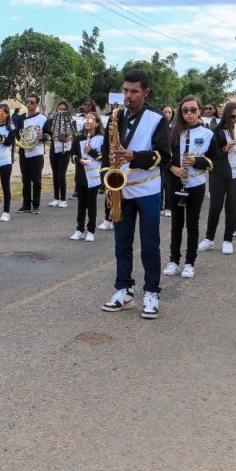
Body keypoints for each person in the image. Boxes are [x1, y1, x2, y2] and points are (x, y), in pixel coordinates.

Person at [100, 69, 171, 318]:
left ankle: (151, 292)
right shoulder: (115, 116)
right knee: (122, 242)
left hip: (147, 188)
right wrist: (107, 180)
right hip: (120, 188)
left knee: (150, 244)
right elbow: (107, 151)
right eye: (125, 90)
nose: (128, 96)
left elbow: (164, 156)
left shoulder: (157, 118)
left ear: (146, 92)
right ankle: (124, 290)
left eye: (134, 91)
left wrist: (134, 156)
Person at [163, 96, 214, 279]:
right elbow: (163, 157)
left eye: (193, 110)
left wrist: (196, 161)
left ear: (199, 111)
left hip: (196, 184)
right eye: (185, 111)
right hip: (175, 182)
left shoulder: (207, 134)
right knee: (176, 224)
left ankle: (190, 263)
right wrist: (173, 168)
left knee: (192, 224)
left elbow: (213, 161)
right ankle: (174, 261)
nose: (189, 114)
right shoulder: (173, 131)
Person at [198, 102, 236, 255]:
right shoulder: (217, 132)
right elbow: (210, 155)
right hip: (220, 173)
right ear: (226, 116)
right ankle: (209, 238)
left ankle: (228, 240)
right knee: (215, 206)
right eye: (232, 116)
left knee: (232, 206)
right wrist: (225, 148)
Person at [69, 111, 105, 242]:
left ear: (96, 123)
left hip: (94, 177)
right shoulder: (78, 138)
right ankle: (79, 230)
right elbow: (72, 155)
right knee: (81, 204)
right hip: (81, 175)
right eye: (86, 119)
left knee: (91, 204)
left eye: (90, 120)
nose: (87, 122)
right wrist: (79, 160)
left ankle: (91, 230)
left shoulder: (102, 139)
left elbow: (104, 157)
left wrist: (91, 152)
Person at [16, 93, 48, 213]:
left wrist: (43, 136)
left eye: (32, 102)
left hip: (37, 153)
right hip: (24, 152)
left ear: (37, 104)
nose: (29, 104)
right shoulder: (21, 118)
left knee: (36, 180)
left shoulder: (43, 118)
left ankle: (36, 205)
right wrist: (19, 141)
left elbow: (48, 135)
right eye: (28, 102)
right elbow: (17, 134)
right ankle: (26, 204)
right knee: (25, 180)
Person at [45, 100, 74, 208]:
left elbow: (73, 134)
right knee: (55, 173)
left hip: (65, 149)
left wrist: (68, 137)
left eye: (63, 109)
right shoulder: (51, 120)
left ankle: (63, 199)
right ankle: (56, 198)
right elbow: (47, 133)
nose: (61, 111)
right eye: (59, 108)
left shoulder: (70, 121)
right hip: (54, 148)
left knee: (61, 174)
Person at [160, 104, 175, 217]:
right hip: (160, 159)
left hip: (172, 159)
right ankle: (159, 206)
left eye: (170, 112)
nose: (167, 114)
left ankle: (168, 207)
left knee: (169, 184)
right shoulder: (158, 126)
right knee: (160, 184)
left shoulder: (175, 128)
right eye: (165, 112)